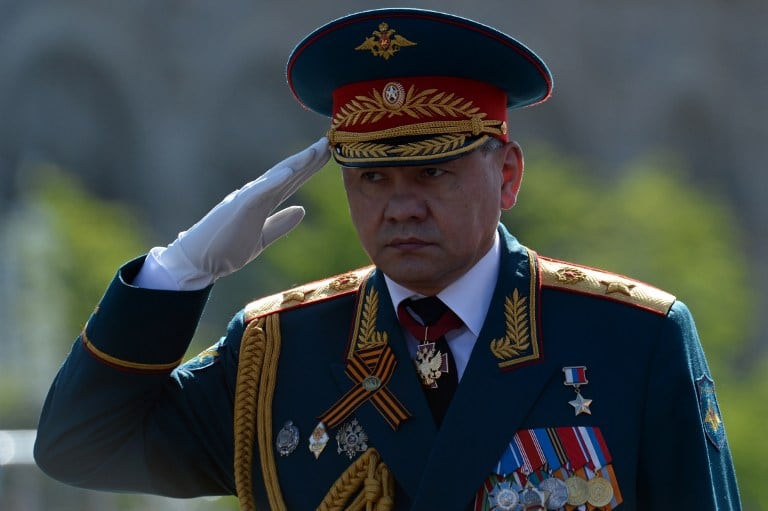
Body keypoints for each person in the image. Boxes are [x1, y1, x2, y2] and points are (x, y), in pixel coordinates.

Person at [34, 7, 741, 511]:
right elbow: (79, 443)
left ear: (507, 176)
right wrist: (177, 272)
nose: (400, 206)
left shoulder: (632, 340)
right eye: (372, 177)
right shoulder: (280, 352)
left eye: (433, 173)